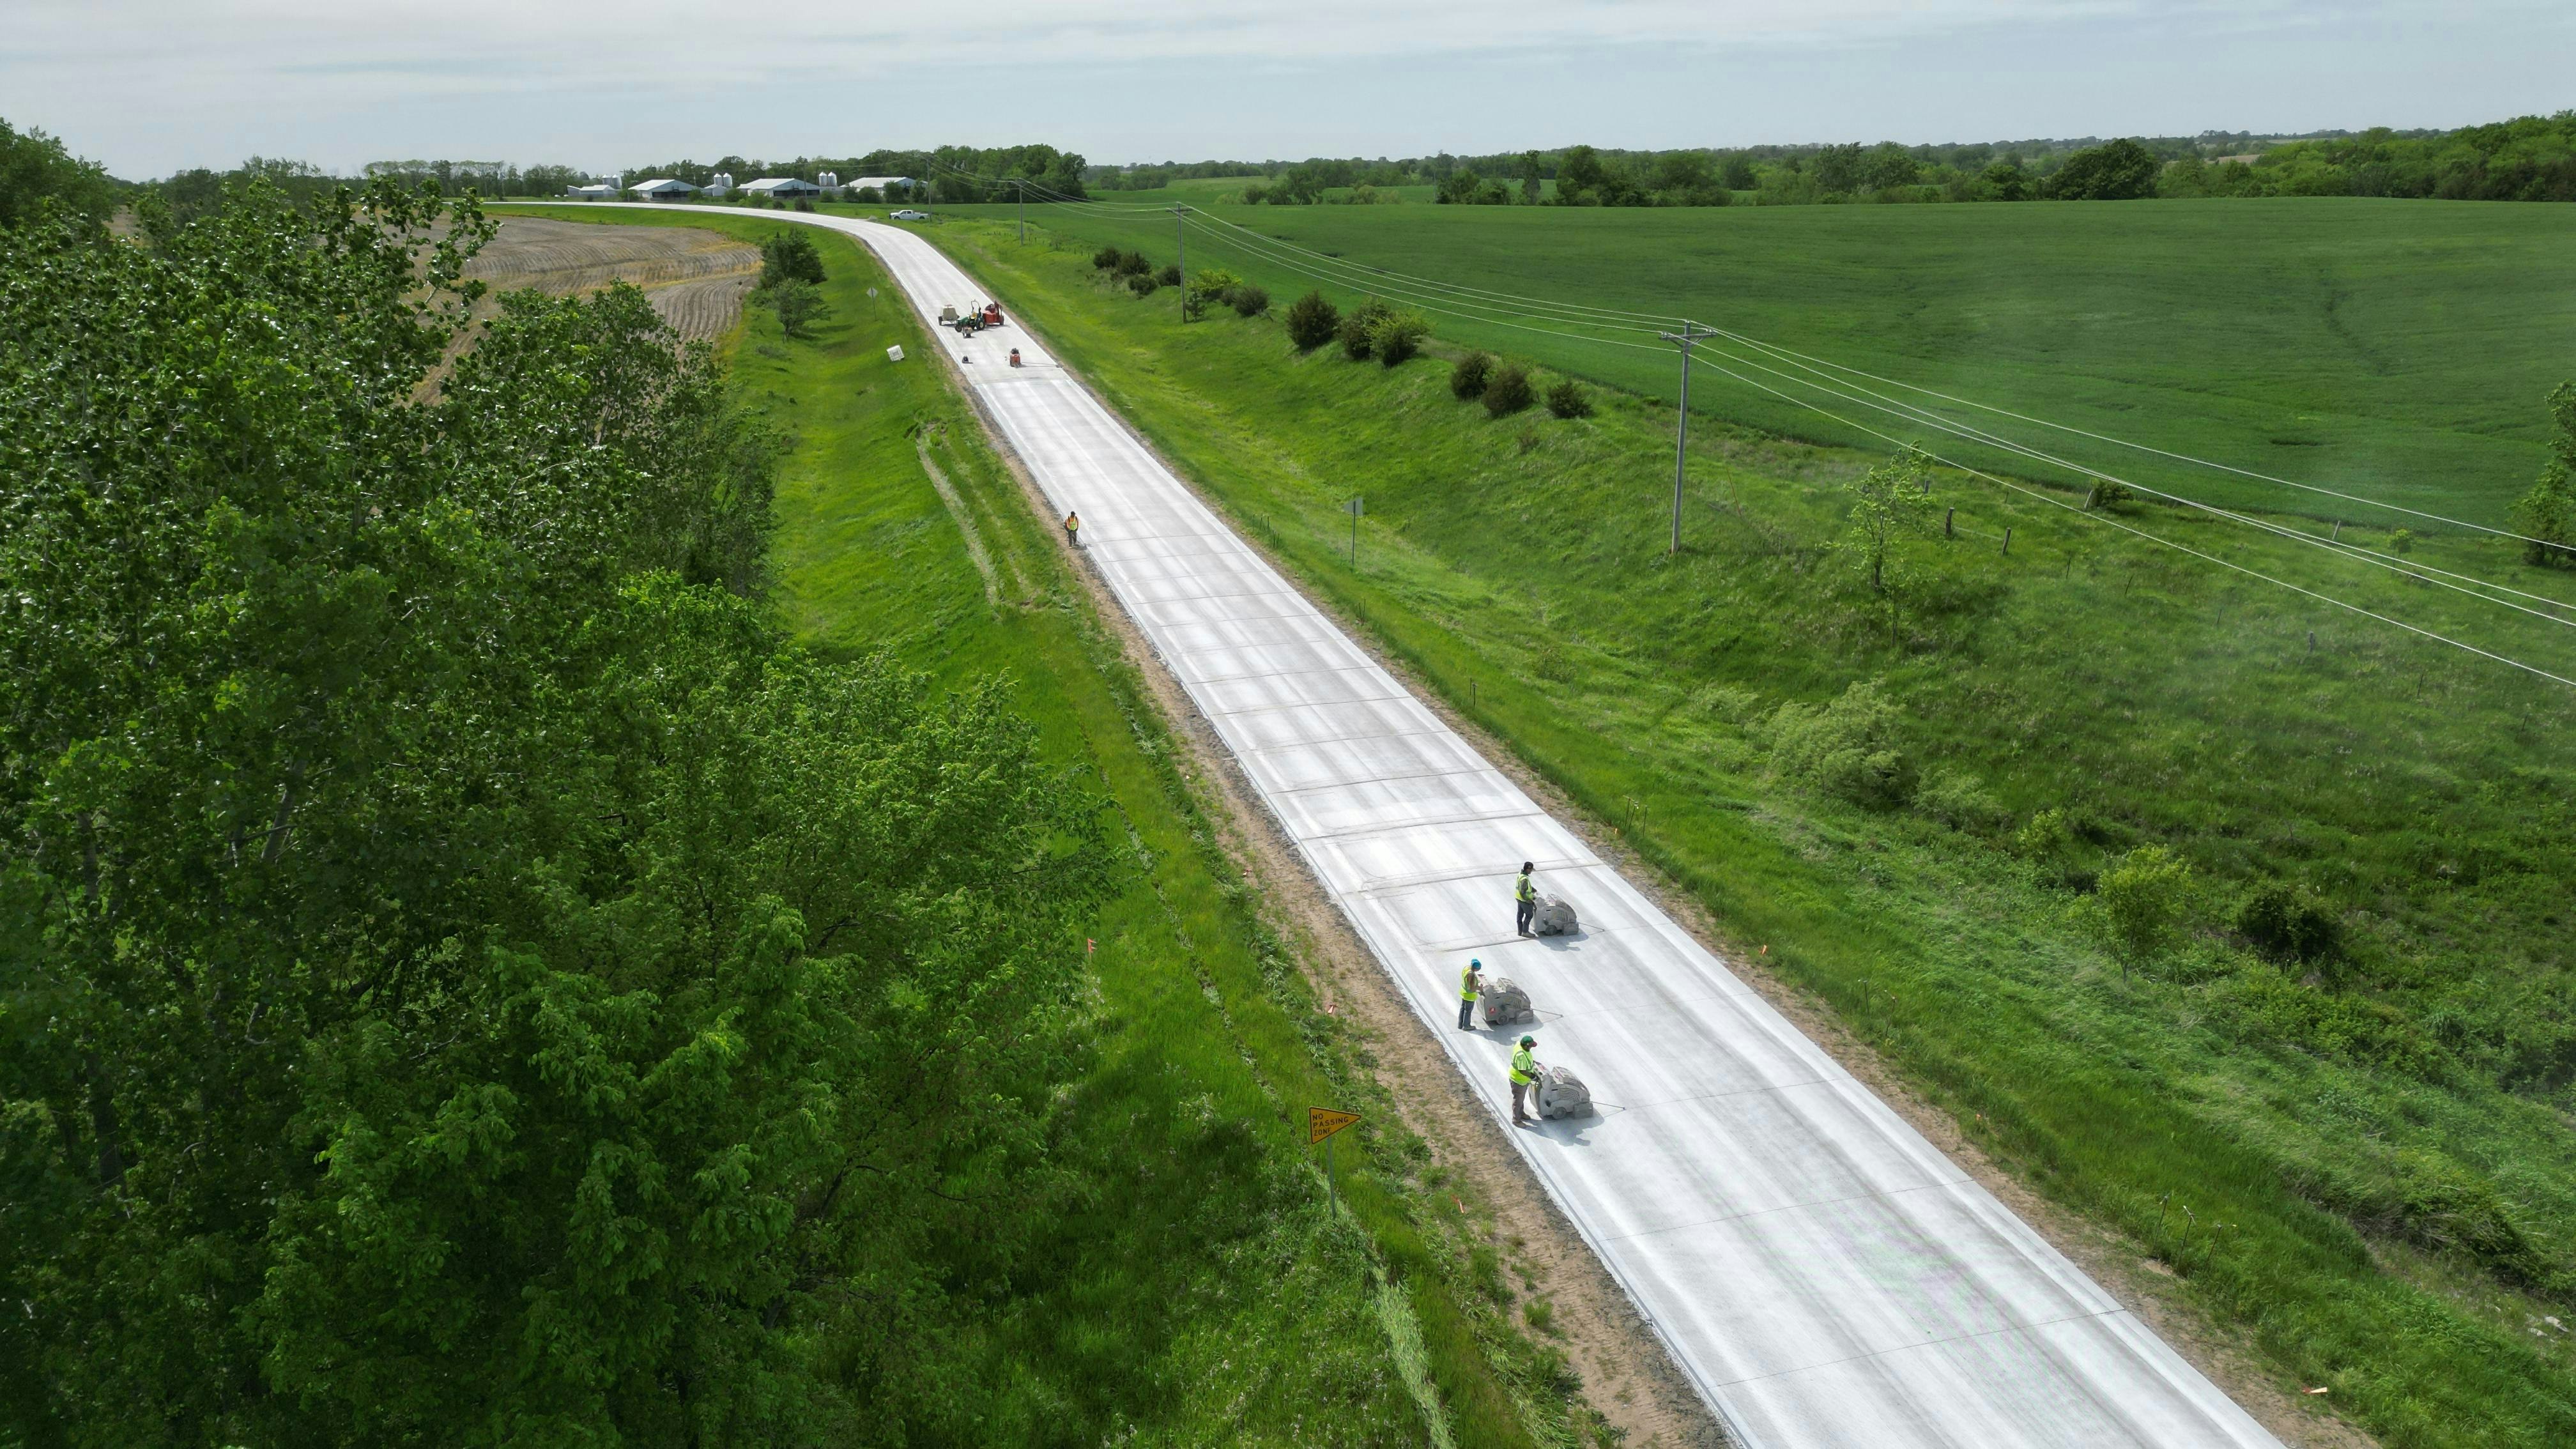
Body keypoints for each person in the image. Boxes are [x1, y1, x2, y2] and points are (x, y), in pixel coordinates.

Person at [1509, 1035, 1539, 1127]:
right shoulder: (1521, 1056)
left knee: (1520, 1098)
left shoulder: (1519, 1044)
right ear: (1526, 1046)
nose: (1531, 1048)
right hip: (1519, 1080)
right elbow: (1522, 1071)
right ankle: (1516, 1120)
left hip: (1521, 1080)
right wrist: (1533, 1076)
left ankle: (1521, 1113)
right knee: (1518, 1100)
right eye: (1530, 1046)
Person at [1457, 957, 1485, 1031]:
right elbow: (1471, 988)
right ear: (1476, 968)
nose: (1478, 970)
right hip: (1469, 996)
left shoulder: (1467, 968)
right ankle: (1466, 1026)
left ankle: (1460, 1024)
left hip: (1463, 992)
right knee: (1468, 1011)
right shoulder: (1471, 975)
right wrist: (1479, 988)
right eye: (1478, 969)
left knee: (1463, 1009)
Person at [1514, 861, 1538, 937]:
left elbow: (1524, 887)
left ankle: (1520, 931)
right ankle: (1525, 932)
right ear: (1528, 869)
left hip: (1518, 898)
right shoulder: (1524, 879)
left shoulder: (1521, 874)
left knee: (1520, 915)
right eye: (1531, 870)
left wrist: (1532, 889)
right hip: (1524, 900)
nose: (1531, 871)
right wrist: (1530, 901)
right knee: (1529, 915)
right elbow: (1523, 892)